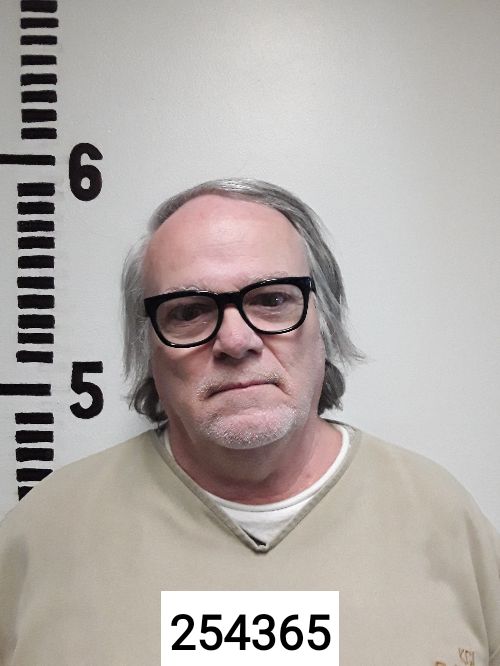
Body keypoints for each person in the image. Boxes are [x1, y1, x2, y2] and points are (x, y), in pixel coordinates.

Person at [0, 178, 499, 665]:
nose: (236, 341)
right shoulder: (43, 535)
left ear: (325, 322)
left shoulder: (443, 518)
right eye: (188, 311)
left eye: (272, 299)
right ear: (146, 348)